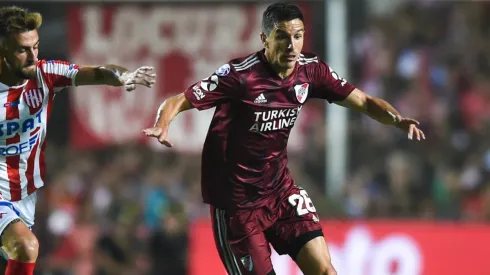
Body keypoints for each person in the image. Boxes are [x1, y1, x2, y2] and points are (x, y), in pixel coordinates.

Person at [144, 3, 425, 275]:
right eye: (282, 37)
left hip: (281, 192)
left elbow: (363, 101)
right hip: (237, 207)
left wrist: (396, 120)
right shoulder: (240, 76)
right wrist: (162, 124)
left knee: (326, 270)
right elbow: (179, 100)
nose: (292, 46)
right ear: (264, 39)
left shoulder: (311, 71)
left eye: (298, 36)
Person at [0, 6, 155, 275]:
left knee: (21, 253)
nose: (32, 56)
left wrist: (123, 77)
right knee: (27, 247)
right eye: (22, 50)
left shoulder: (44, 75)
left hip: (24, 197)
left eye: (35, 47)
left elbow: (97, 72)